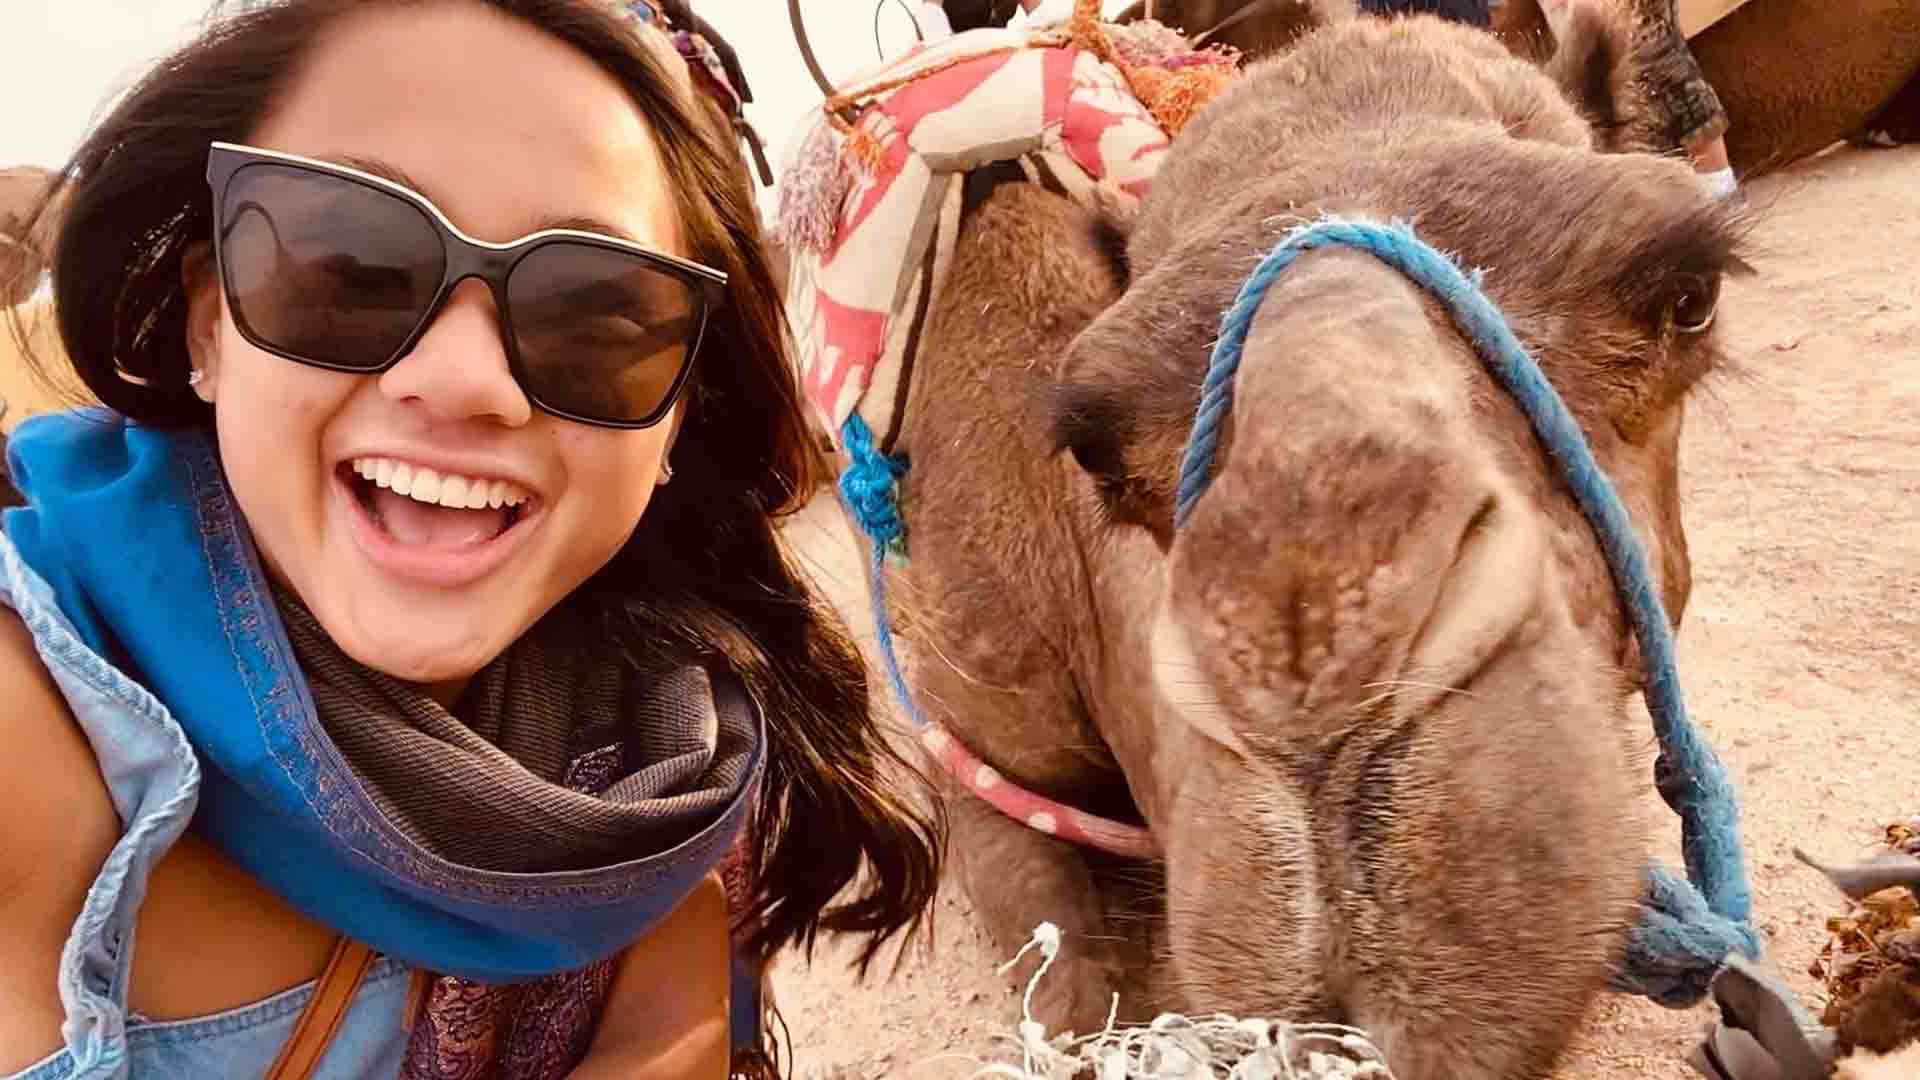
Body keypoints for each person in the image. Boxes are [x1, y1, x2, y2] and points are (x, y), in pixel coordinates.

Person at [0, 1, 942, 1078]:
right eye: (347, 266)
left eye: (596, 316)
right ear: (208, 322)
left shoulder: (667, 766)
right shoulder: (34, 724)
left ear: (680, 414)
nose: (464, 381)